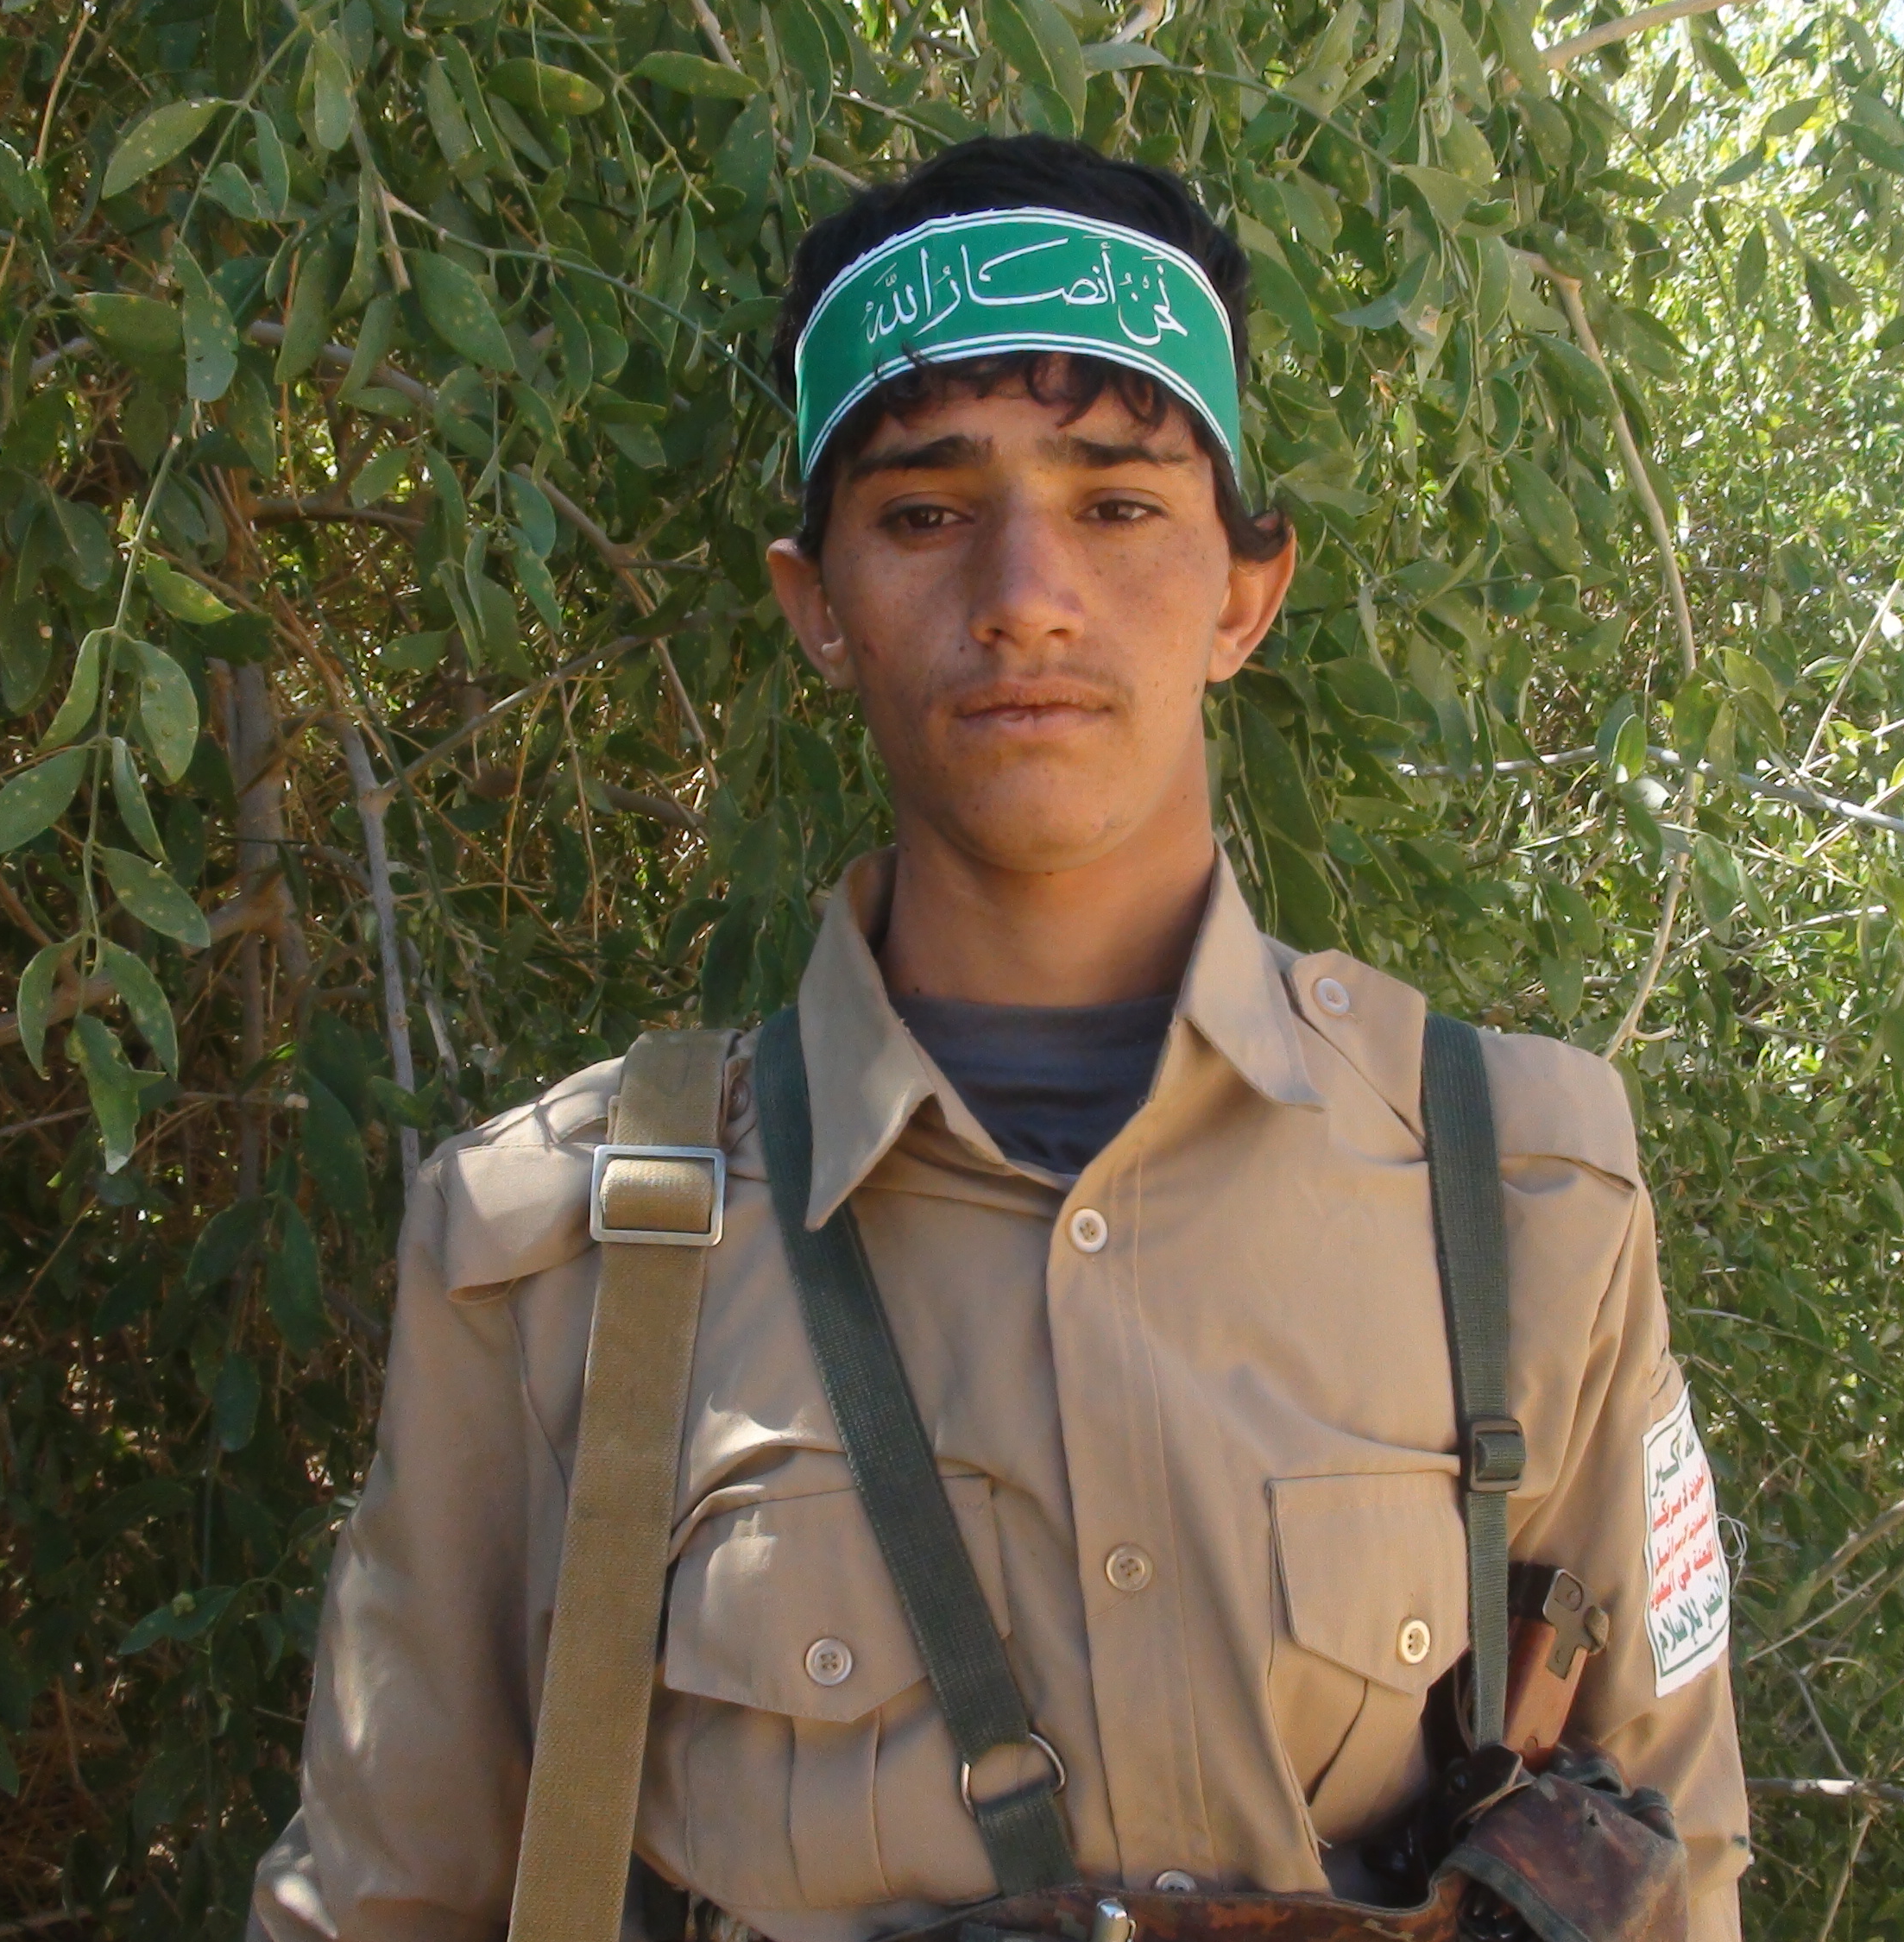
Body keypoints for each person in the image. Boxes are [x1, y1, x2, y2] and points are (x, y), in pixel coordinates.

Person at [251, 133, 1748, 1942]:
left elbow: (1667, 1861)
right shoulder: (550, 1250)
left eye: (1117, 505)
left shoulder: (1517, 1190)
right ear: (817, 604)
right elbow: (386, 1901)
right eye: (924, 513)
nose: (1025, 589)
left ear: (1244, 593)